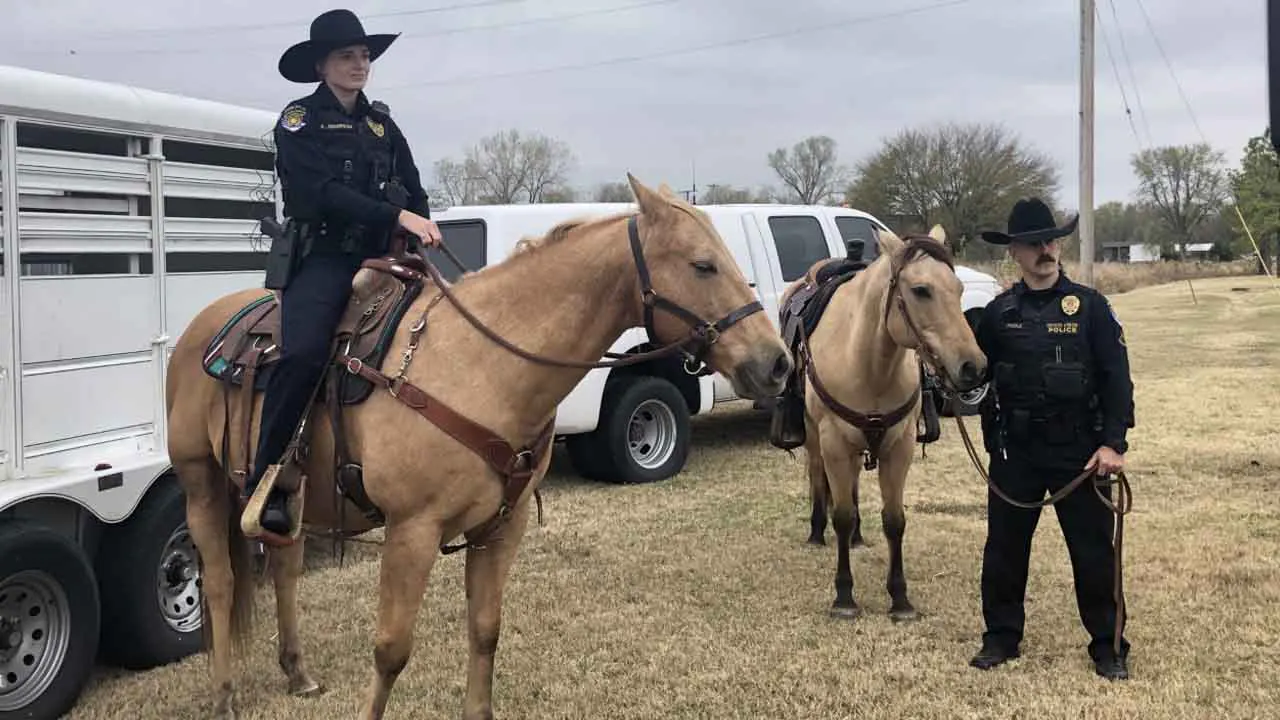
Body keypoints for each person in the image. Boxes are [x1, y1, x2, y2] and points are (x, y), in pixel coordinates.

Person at [243, 8, 442, 537]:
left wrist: (423, 228)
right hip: (325, 259)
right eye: (346, 56)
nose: (359, 64)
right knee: (304, 353)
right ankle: (267, 483)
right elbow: (318, 195)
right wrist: (396, 215)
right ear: (321, 65)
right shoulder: (298, 121)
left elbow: (414, 187)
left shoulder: (382, 123)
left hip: (386, 258)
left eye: (364, 56)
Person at [967, 197, 1135, 680]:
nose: (1045, 249)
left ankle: (1108, 644)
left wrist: (1112, 444)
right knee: (1003, 549)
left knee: (1093, 552)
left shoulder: (1091, 308)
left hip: (1079, 453)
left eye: (1051, 240)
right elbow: (975, 376)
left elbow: (1116, 379)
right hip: (1014, 452)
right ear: (1015, 252)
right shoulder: (998, 314)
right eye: (1033, 243)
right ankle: (1000, 637)